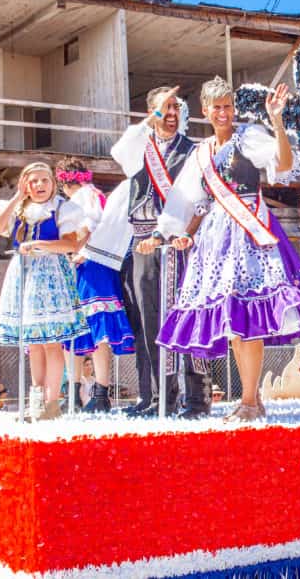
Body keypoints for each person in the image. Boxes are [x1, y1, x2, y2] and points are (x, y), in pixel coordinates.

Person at [156, 77, 300, 422]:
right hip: (216, 238)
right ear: (205, 111)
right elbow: (186, 200)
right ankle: (251, 399)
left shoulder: (249, 137)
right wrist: (176, 233)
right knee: (234, 320)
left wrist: (277, 122)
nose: (224, 112)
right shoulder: (200, 153)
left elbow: (284, 164)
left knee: (248, 316)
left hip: (250, 233)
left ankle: (248, 402)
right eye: (217, 107)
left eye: (228, 106)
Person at [112, 86, 212, 418]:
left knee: (190, 317)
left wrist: (187, 231)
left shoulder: (194, 150)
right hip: (143, 242)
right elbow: (119, 150)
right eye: (163, 109)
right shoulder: (140, 147)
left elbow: (201, 196)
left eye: (175, 109)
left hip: (182, 242)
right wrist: (150, 119)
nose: (170, 115)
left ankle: (196, 399)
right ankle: (157, 397)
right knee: (148, 320)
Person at [0, 161, 89, 421]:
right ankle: (35, 403)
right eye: (33, 181)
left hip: (51, 275)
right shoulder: (20, 208)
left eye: (44, 180)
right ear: (25, 184)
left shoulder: (62, 208)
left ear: (53, 183)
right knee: (34, 344)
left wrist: (39, 244)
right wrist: (16, 198)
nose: (39, 186)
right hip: (24, 274)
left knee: (51, 342)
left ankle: (52, 403)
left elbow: (71, 244)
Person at [56, 157, 135, 413]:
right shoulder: (95, 193)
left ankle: (88, 392)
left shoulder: (84, 196)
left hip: (90, 265)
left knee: (89, 328)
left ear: (65, 182)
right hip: (99, 263)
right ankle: (89, 392)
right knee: (88, 329)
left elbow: (90, 222)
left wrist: (79, 249)